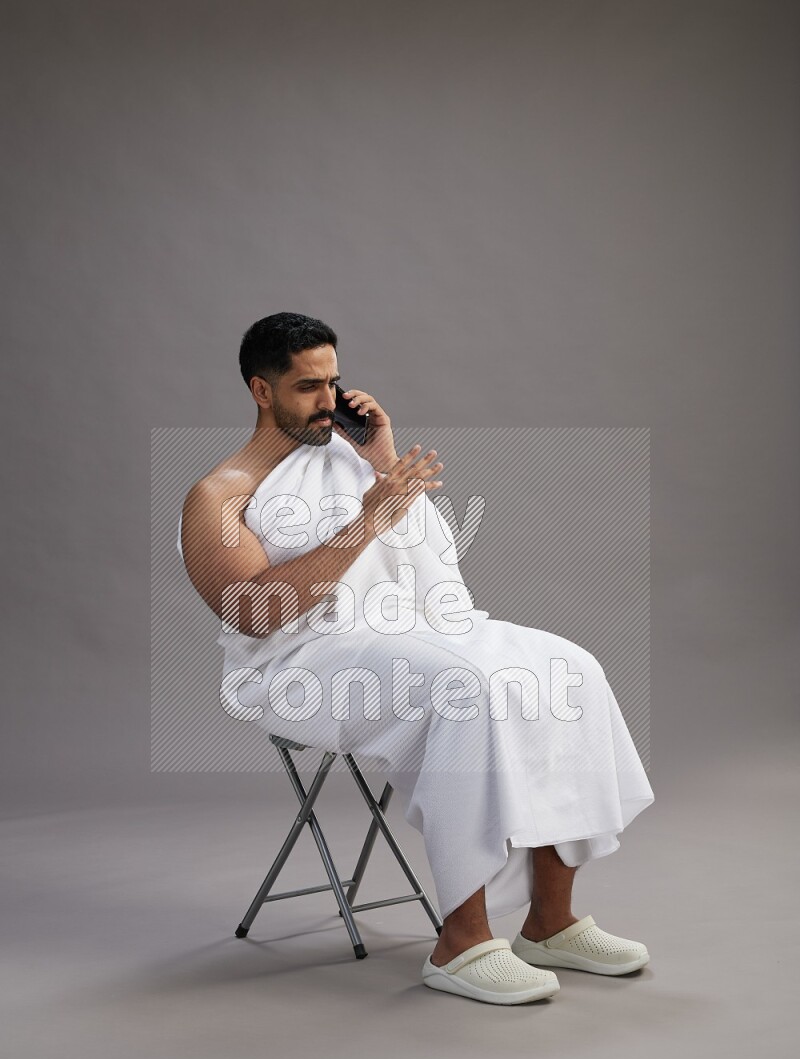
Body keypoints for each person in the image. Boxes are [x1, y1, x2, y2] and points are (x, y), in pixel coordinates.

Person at [177, 311, 655, 1006]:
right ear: (261, 390)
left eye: (334, 382)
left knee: (569, 669)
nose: (329, 401)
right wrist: (371, 513)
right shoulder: (217, 496)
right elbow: (254, 612)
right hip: (302, 662)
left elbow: (424, 573)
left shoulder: (350, 461)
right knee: (466, 688)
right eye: (308, 387)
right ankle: (460, 941)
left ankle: (550, 923)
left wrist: (380, 462)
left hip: (407, 629)